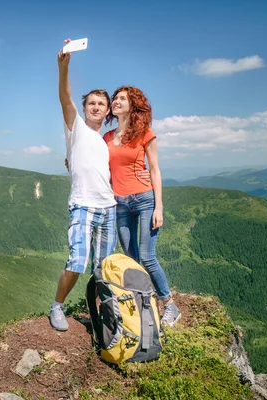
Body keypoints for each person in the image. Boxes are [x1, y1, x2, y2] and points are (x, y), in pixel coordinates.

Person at [50, 40, 118, 331]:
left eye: (101, 104)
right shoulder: (74, 126)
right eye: (91, 102)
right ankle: (57, 307)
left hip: (109, 206)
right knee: (77, 260)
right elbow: (65, 97)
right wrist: (63, 67)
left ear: (106, 112)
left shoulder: (106, 141)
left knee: (103, 268)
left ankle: (100, 314)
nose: (95, 107)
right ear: (84, 107)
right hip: (83, 204)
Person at [102, 86, 181, 327]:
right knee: (131, 257)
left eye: (122, 99)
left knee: (147, 257)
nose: (116, 101)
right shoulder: (107, 137)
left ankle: (169, 305)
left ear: (133, 105)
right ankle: (143, 300)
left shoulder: (146, 133)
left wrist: (159, 207)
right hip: (120, 203)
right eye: (115, 98)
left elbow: (155, 170)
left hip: (145, 199)